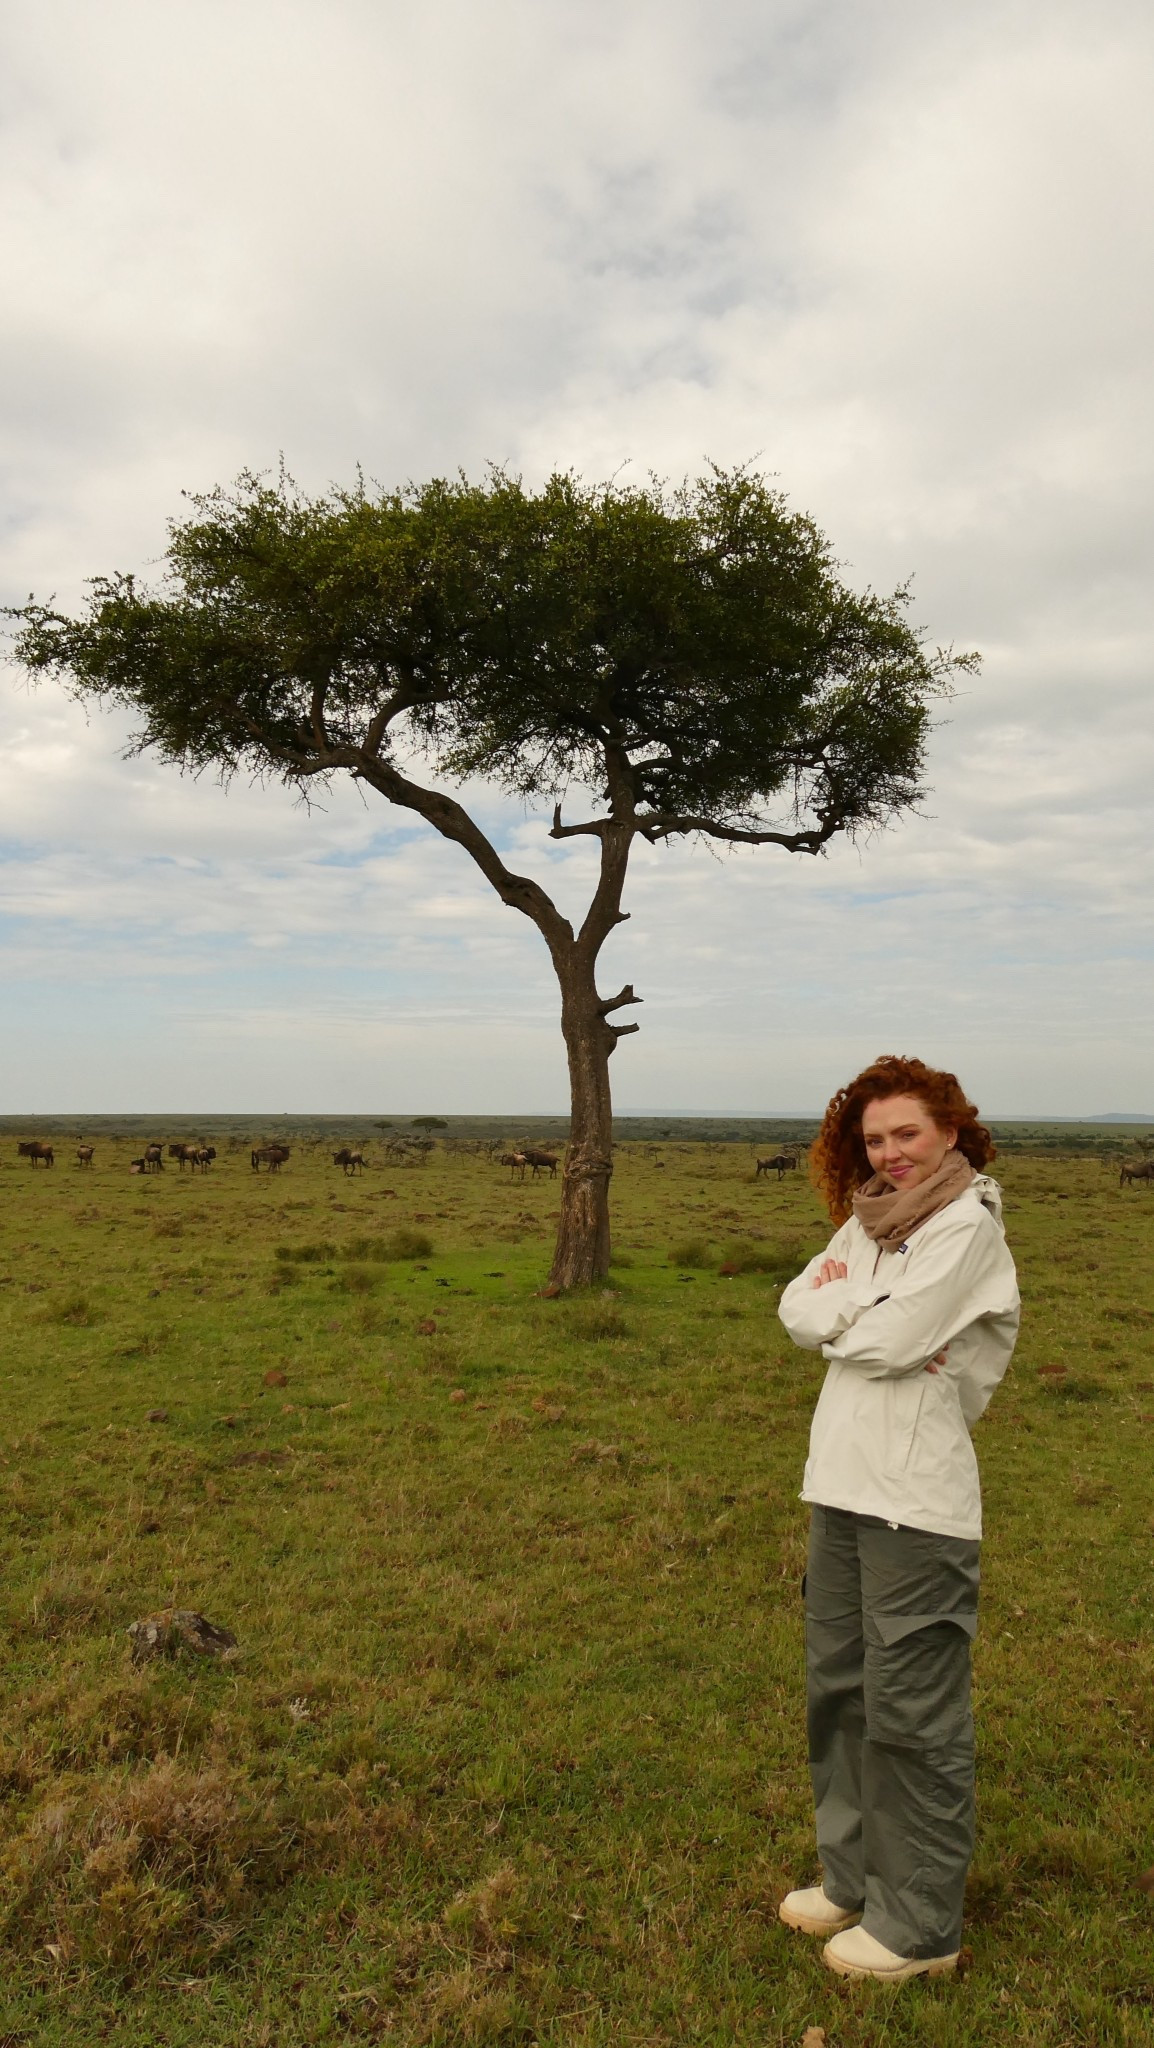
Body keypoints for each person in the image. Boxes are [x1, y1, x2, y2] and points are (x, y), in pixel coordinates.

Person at [775, 1055, 1020, 1983]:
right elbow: (795, 1306)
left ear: (951, 1130)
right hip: (840, 1486)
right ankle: (853, 1880)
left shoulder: (966, 1227)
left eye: (907, 1132)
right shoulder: (867, 1218)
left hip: (917, 1503)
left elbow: (889, 1341)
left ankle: (917, 1929)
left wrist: (847, 1312)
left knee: (912, 1712)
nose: (891, 1153)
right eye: (874, 1138)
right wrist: (854, 1305)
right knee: (839, 1692)